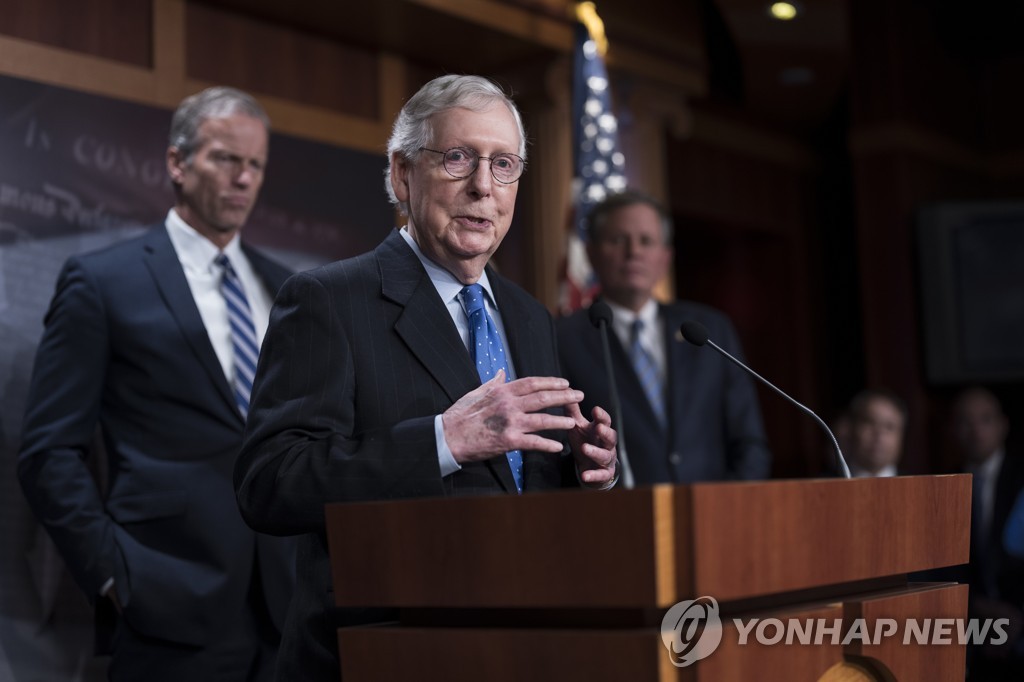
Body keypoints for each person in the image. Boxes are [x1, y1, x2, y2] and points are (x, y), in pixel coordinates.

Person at [234, 74, 618, 681]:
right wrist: (443, 440)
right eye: (459, 158)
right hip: (383, 655)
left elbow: (515, 484)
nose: (483, 188)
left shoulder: (529, 317)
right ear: (401, 175)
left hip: (525, 648)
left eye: (504, 164)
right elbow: (270, 484)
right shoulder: (328, 300)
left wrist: (583, 473)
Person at [17, 86, 296, 681]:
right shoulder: (102, 282)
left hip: (287, 612)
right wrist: (115, 575)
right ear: (177, 162)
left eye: (255, 166)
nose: (243, 179)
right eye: (226, 159)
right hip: (165, 607)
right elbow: (48, 453)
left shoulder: (289, 290)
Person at [555, 189, 770, 484]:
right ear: (591, 253)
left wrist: (730, 511)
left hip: (714, 515)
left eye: (646, 241)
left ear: (665, 256)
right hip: (619, 519)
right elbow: (559, 447)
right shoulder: (562, 337)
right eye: (618, 240)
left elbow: (749, 444)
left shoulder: (709, 329)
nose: (634, 252)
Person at [951, 387, 1024, 677]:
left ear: (1003, 425)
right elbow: (944, 569)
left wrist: (1017, 618)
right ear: (953, 430)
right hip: (971, 632)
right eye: (965, 422)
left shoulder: (1021, 477)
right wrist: (979, 607)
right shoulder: (945, 485)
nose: (976, 430)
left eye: (985, 419)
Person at [845, 388, 906, 477]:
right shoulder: (824, 486)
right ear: (852, 428)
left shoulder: (919, 487)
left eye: (889, 427)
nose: (879, 435)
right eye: (870, 422)